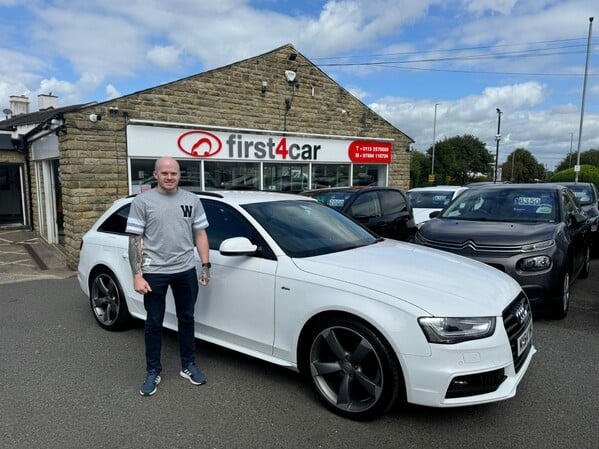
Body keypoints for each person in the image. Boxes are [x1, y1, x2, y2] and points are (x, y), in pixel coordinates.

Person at [126, 157, 211, 396]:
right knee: (154, 323)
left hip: (185, 270)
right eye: (164, 173)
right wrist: (137, 275)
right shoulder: (142, 201)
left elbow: (201, 234)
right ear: (155, 175)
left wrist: (205, 266)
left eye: (173, 173)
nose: (169, 177)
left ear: (179, 175)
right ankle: (153, 371)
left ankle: (188, 365)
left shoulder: (191, 200)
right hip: (154, 273)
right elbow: (135, 240)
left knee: (187, 318)